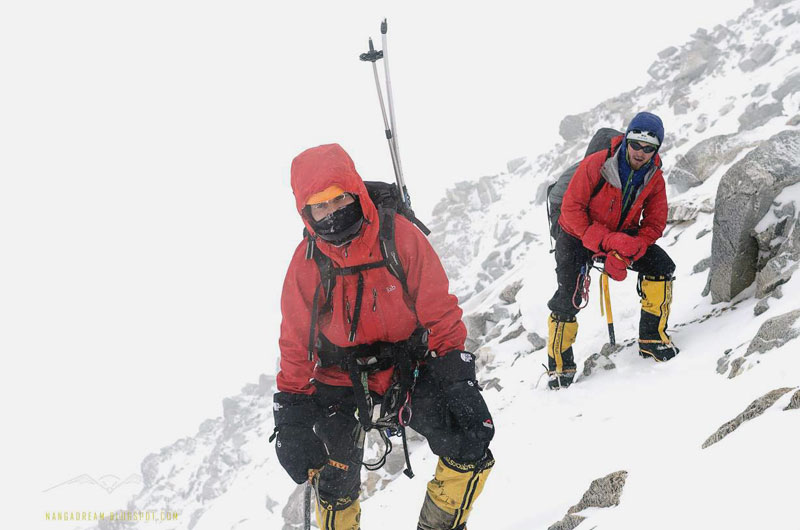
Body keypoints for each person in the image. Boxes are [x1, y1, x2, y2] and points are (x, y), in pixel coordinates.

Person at [272, 143, 495, 530]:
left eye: (338, 199)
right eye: (318, 206)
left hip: (408, 367)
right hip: (338, 379)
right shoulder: (306, 264)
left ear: (354, 192)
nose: (331, 213)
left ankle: (439, 525)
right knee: (332, 481)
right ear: (304, 212)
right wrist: (291, 417)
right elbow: (295, 342)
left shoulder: (400, 238)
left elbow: (439, 312)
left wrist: (459, 381)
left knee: (470, 441)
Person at [546, 111, 679, 389]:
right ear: (627, 141)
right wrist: (609, 243)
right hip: (576, 234)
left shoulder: (655, 178)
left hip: (621, 236)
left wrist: (630, 249)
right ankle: (560, 366)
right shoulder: (597, 165)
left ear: (656, 149)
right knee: (568, 296)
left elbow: (654, 223)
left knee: (661, 267)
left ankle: (652, 338)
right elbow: (571, 212)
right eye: (636, 145)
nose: (640, 153)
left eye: (648, 148)